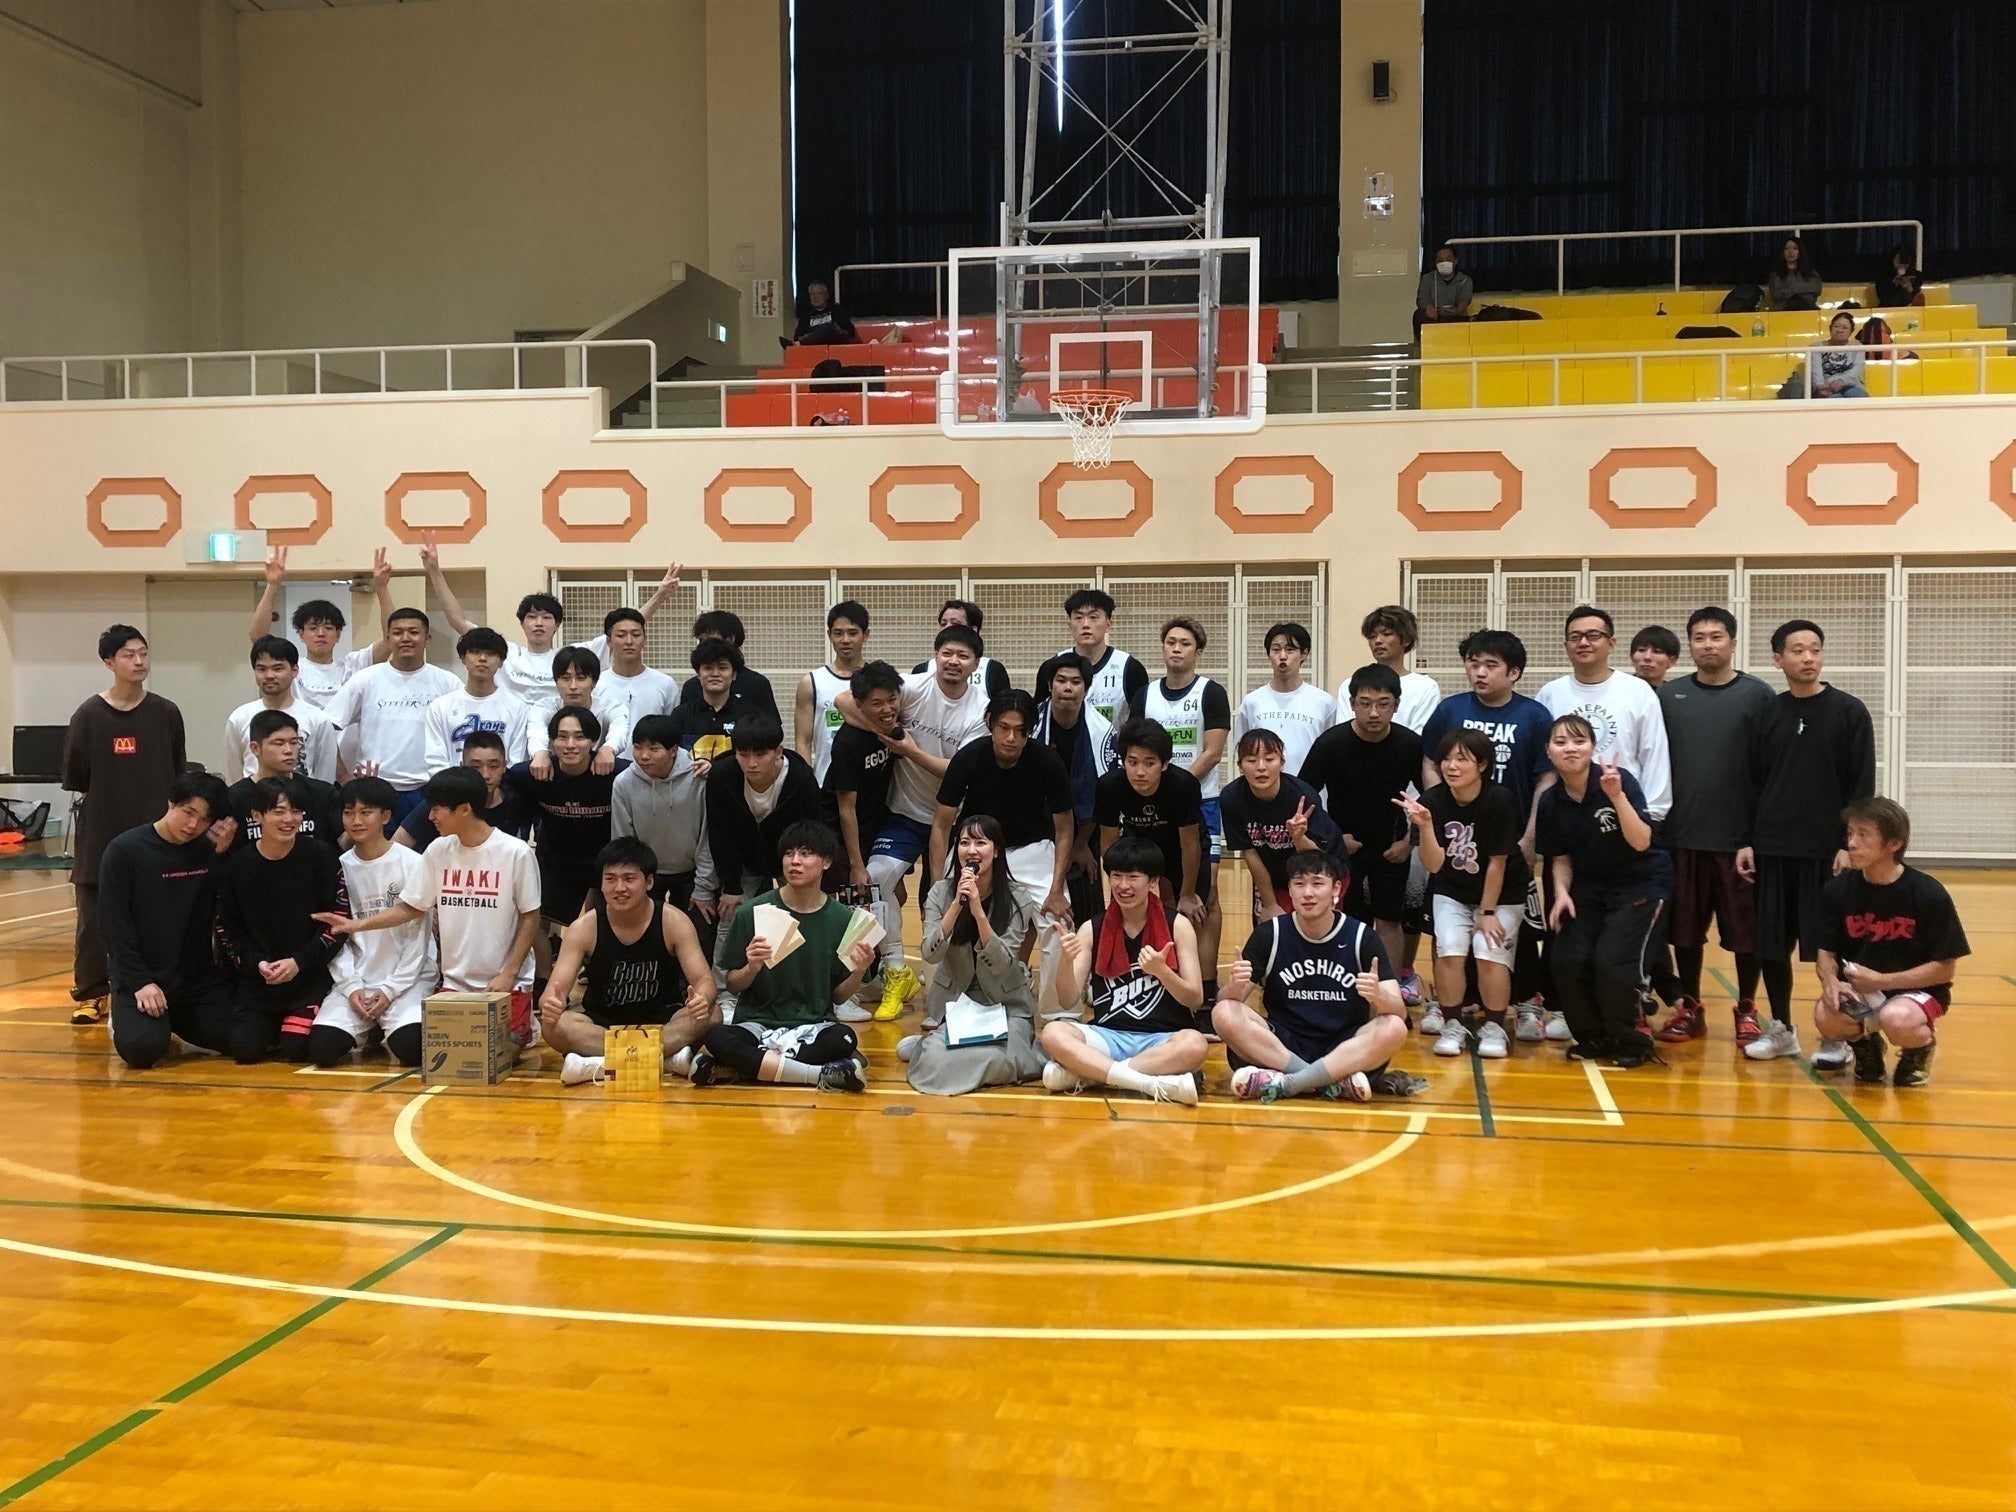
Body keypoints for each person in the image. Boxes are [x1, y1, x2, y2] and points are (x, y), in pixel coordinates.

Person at [1742, 619, 1877, 1063]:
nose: (1808, 658)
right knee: (1772, 946)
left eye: (1815, 649)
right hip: (1773, 849)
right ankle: (1782, 1028)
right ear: (1778, 659)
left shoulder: (1849, 711)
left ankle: (1839, 1034)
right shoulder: (1767, 713)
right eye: (1797, 650)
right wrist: (1747, 840)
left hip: (1828, 853)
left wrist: (1849, 843)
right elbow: (1751, 782)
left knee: (1834, 947)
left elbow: (1861, 784)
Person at [836, 625, 990, 1009]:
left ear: (975, 664)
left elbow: (959, 770)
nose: (953, 661)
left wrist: (908, 750)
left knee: (946, 898)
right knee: (873, 882)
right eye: (947, 653)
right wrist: (885, 729)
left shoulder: (979, 709)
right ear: (935, 656)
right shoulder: (912, 687)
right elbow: (843, 700)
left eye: (963, 656)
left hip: (952, 818)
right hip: (904, 813)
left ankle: (958, 983)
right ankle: (895, 971)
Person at [318, 766, 542, 1010]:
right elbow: (411, 907)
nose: (430, 817)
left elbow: (530, 916)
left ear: (464, 809)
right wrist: (356, 925)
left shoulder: (515, 852)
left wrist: (509, 974)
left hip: (508, 983)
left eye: (436, 809)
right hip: (454, 984)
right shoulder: (438, 850)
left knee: (504, 1036)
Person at [1416, 629, 1554, 1024]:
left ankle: (1523, 1000)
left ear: (1514, 673)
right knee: (1448, 928)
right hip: (1457, 841)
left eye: (1491, 665)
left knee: (1510, 928)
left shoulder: (1534, 716)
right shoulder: (1449, 710)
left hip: (1509, 837)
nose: (1479, 672)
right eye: (1473, 664)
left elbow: (1545, 776)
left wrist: (1530, 834)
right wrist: (1439, 809)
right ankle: (1453, 1005)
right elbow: (1431, 761)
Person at [1655, 607, 1776, 1044]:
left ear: (1733, 643)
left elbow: (1770, 769)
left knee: (1746, 935)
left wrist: (1755, 836)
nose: (1708, 645)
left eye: (1716, 636)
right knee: (1685, 933)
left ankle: (1747, 1007)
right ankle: (1691, 1007)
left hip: (1738, 842)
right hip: (1682, 836)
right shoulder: (1669, 696)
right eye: (1699, 637)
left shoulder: (1758, 695)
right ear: (1689, 645)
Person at [63, 623, 190, 1024]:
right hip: (102, 834)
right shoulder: (88, 715)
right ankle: (90, 993)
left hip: (157, 837)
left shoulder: (165, 712)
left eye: (143, 653)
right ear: (109, 662)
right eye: (128, 655)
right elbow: (78, 777)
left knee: (160, 918)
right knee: (93, 920)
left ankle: (166, 988)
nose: (139, 661)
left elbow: (179, 771)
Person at [1214, 849, 1408, 1102]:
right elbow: (1228, 1004)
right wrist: (1232, 987)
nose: (1308, 893)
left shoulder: (1362, 937)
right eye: (1299, 884)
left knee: (1395, 1027)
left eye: (1317, 884)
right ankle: (1328, 1083)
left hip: (1343, 1048)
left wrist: (1379, 996)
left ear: (1336, 889)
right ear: (1290, 890)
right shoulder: (1269, 934)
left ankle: (1288, 1083)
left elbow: (1400, 1011)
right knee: (1223, 1012)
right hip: (1282, 1045)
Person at [698, 822, 878, 1091]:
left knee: (844, 1038)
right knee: (716, 1036)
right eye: (788, 853)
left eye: (806, 853)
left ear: (826, 862)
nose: (794, 861)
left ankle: (743, 1068)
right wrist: (752, 967)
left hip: (814, 1027)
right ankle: (817, 1074)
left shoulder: (843, 920)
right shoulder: (751, 912)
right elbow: (733, 985)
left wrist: (859, 971)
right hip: (756, 1025)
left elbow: (839, 997)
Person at [1536, 716, 1669, 1068]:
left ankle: (1633, 1039)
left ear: (1593, 748)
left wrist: (1617, 797)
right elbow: (1560, 858)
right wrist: (1562, 894)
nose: (1570, 749)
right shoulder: (1550, 801)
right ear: (1548, 751)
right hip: (1590, 889)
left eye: (1579, 741)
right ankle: (1593, 1036)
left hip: (1640, 885)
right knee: (1567, 958)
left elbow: (1641, 841)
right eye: (1560, 742)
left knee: (1613, 963)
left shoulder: (1618, 781)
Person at [1810, 798, 1967, 1087]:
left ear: (1894, 844)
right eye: (1850, 834)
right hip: (1863, 993)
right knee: (1825, 1015)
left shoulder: (1928, 894)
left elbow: (1944, 969)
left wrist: (1883, 981)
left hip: (1916, 993)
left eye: (1864, 835)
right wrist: (1830, 982)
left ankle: (1919, 1050)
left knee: (1897, 1018)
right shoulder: (1837, 891)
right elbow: (1825, 952)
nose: (1852, 843)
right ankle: (1865, 1046)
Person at [1040, 834, 1208, 1105]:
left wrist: (1162, 972)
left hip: (1162, 1039)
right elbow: (1067, 999)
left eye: (1133, 877)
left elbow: (1195, 999)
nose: (1123, 886)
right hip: (1109, 1036)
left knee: (1195, 1045)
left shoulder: (1178, 926)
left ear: (1153, 881)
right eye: (1116, 876)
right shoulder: (1091, 929)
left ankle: (1093, 1074)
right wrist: (1066, 962)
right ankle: (1146, 1082)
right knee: (1053, 1032)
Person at [540, 837, 719, 1087]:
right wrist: (551, 1004)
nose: (619, 888)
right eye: (610, 879)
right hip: (603, 1024)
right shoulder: (584, 928)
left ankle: (600, 1064)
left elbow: (704, 981)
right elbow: (552, 994)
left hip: (662, 1020)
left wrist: (701, 998)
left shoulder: (673, 921)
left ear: (649, 882)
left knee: (712, 1014)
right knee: (554, 1026)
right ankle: (664, 1060)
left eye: (629, 878)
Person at [1400, 729, 1527, 1059]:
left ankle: (1495, 1026)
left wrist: (1487, 913)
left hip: (1502, 892)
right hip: (1452, 889)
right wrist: (1425, 826)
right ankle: (1452, 1023)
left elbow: (1498, 863)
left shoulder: (1500, 799)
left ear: (1482, 765)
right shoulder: (1431, 802)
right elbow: (1434, 864)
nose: (1452, 766)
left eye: (1462, 759)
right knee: (1449, 949)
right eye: (1446, 759)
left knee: (1489, 952)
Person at [901, 815, 1048, 1095]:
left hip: (1006, 1005)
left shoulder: (1018, 898)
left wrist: (978, 911)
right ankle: (930, 1048)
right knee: (935, 1062)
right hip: (957, 1003)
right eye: (964, 842)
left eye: (980, 843)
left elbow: (1003, 963)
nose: (971, 850)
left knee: (1005, 1058)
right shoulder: (940, 893)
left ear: (996, 851)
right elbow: (930, 954)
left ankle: (933, 1049)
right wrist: (957, 905)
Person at [101, 772, 238, 1069]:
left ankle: (171, 1018)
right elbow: (114, 926)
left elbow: (225, 904)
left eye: (204, 819)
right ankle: (127, 1016)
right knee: (142, 1049)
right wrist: (140, 982)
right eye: (188, 812)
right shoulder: (125, 850)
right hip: (144, 976)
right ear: (170, 803)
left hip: (196, 980)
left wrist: (221, 857)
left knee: (245, 1039)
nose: (193, 825)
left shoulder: (208, 850)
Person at [214, 777, 348, 1064]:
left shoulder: (321, 856)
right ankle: (274, 1027)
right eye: (278, 812)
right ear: (256, 816)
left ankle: (295, 1026)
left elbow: (338, 923)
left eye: (296, 811)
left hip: (308, 976)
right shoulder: (236, 867)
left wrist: (299, 961)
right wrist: (257, 964)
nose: (289, 819)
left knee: (297, 1049)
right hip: (259, 980)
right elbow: (228, 929)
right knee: (244, 1050)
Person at [307, 777, 437, 1069]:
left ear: (386, 816)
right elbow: (335, 935)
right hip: (359, 981)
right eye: (348, 812)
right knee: (322, 1050)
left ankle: (385, 1024)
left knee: (410, 1047)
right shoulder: (338, 866)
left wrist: (390, 990)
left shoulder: (412, 863)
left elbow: (419, 938)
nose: (356, 821)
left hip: (407, 980)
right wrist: (351, 986)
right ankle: (370, 1029)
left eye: (366, 812)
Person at [1300, 664, 1423, 968]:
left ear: (1396, 705)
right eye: (1365, 703)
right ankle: (1347, 985)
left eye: (1383, 704)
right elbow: (1303, 798)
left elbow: (1435, 800)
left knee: (1390, 921)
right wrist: (1331, 840)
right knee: (1346, 920)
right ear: (1352, 703)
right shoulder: (1330, 744)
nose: (1374, 713)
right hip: (1343, 850)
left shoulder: (1410, 744)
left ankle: (1390, 986)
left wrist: (1409, 842)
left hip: (1392, 848)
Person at [1140, 616, 1231, 1001]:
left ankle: (1206, 987)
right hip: (1153, 808)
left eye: (1185, 643)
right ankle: (1171, 979)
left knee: (1204, 897)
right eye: (1171, 642)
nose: (1176, 649)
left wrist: (1175, 787)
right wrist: (1157, 790)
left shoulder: (1211, 693)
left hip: (1200, 802)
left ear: (1198, 652)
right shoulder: (1145, 695)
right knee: (1162, 893)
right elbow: (1136, 747)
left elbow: (1212, 752)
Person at [1094, 720, 1208, 999]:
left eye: (1149, 763)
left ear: (1165, 764)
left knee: (1196, 909)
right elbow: (1108, 843)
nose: (1140, 772)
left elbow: (1189, 844)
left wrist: (1188, 893)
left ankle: (1200, 984)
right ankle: (1133, 976)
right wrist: (1115, 886)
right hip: (1140, 845)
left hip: (1181, 846)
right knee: (1135, 907)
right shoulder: (1109, 785)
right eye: (1132, 762)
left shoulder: (1184, 785)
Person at [322, 606, 459, 833]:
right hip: (376, 789)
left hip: (429, 789)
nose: (405, 638)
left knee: (428, 853)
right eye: (397, 632)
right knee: (376, 853)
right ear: (387, 639)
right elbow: (325, 727)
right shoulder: (365, 679)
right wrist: (344, 776)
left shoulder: (448, 682)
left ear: (427, 638)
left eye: (413, 632)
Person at [1536, 607, 1672, 823]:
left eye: (1593, 635)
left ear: (1611, 643)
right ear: (1566, 645)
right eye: (1575, 637)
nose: (1583, 643)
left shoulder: (1638, 691)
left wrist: (1653, 814)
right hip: (1565, 812)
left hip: (1627, 810)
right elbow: (1543, 762)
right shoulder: (1550, 693)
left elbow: (1654, 755)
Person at [824, 661, 910, 997]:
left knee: (890, 896)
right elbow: (845, 810)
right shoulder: (849, 743)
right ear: (860, 705)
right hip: (840, 833)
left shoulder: (888, 729)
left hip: (875, 822)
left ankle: (876, 975)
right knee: (853, 908)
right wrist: (856, 864)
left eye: (891, 700)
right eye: (877, 703)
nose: (887, 709)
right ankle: (841, 991)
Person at [507, 708, 625, 932]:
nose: (570, 745)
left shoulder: (619, 772)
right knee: (537, 919)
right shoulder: (532, 773)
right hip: (556, 858)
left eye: (580, 737)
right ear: (552, 741)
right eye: (562, 737)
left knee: (601, 925)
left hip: (604, 858)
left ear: (593, 741)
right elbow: (496, 786)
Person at [245, 545, 395, 710]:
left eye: (328, 628)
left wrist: (382, 588)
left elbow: (391, 638)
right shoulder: (292, 667)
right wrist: (272, 585)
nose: (321, 633)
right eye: (313, 628)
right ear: (301, 634)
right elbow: (257, 637)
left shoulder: (353, 665)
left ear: (338, 635)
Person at [704, 713, 825, 917]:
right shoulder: (721, 776)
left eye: (760, 755)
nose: (751, 763)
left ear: (778, 752)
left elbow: (812, 831)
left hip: (790, 857)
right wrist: (731, 886)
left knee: (805, 915)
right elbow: (721, 833)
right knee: (730, 919)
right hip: (743, 861)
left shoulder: (801, 778)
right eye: (743, 754)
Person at [1221, 727, 1348, 922]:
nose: (1261, 767)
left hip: (1323, 870)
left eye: (1269, 759)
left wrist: (1298, 837)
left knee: (1313, 928)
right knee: (1271, 928)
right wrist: (1270, 904)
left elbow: (1318, 859)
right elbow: (1250, 853)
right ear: (1240, 765)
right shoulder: (1231, 798)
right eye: (1251, 760)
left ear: (1282, 763)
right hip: (1274, 877)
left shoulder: (1303, 796)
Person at [1031, 653, 1111, 929]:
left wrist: (1079, 845)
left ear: (1085, 689)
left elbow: (1103, 794)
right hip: (1035, 825)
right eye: (1061, 680)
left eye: (1075, 682)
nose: (1067, 687)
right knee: (1031, 905)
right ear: (1049, 685)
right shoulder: (1031, 725)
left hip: (1085, 828)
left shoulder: (1103, 733)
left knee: (1086, 907)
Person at [611, 714, 718, 914]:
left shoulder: (698, 777)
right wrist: (628, 881)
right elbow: (623, 840)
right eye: (638, 747)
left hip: (692, 873)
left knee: (700, 926)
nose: (644, 756)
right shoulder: (623, 783)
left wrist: (704, 887)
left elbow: (708, 837)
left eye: (654, 749)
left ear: (673, 750)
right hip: (645, 873)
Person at [223, 636, 336, 782]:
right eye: (261, 669)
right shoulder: (239, 718)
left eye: (277, 668)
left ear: (294, 670)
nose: (269, 676)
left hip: (302, 794)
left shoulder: (317, 719)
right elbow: (235, 776)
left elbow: (325, 777)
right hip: (253, 794)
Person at [226, 711, 343, 852]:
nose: (288, 750)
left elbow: (343, 844)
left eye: (294, 743)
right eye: (278, 743)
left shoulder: (323, 793)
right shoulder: (234, 798)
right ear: (255, 748)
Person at [393, 731, 530, 850]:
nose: (485, 775)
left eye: (493, 766)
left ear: (505, 766)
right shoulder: (443, 800)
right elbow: (398, 844)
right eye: (476, 767)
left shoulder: (516, 800)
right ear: (462, 766)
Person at [1034, 589, 1149, 729]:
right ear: (1070, 625)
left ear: (1108, 623)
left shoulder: (1130, 668)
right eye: (1078, 618)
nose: (1086, 624)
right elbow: (1037, 719)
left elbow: (1140, 725)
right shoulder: (1051, 667)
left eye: (1093, 617)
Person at [1234, 620, 1337, 776]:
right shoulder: (1252, 701)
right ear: (1268, 654)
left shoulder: (1324, 702)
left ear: (1304, 653)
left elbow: (1332, 753)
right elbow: (1243, 751)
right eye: (1276, 649)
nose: (1282, 656)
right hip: (1263, 788)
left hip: (1310, 788)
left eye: (1290, 649)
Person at [423, 626, 530, 772]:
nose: (482, 659)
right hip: (453, 785)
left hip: (502, 786)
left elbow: (515, 762)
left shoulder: (518, 708)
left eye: (490, 654)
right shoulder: (440, 707)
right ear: (463, 658)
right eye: (475, 652)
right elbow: (436, 761)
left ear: (501, 662)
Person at [796, 600, 871, 782]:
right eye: (838, 633)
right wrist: (807, 784)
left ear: (865, 635)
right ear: (829, 635)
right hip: (825, 782)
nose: (845, 640)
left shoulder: (878, 680)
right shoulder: (811, 682)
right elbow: (803, 741)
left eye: (852, 633)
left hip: (869, 781)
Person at [527, 646, 629, 775]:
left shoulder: (612, 707)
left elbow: (619, 730)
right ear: (556, 682)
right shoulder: (543, 708)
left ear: (594, 682)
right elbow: (536, 732)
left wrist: (608, 749)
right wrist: (540, 753)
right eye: (565, 678)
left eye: (581, 678)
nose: (573, 686)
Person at [1350, 606, 1441, 733]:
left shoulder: (1425, 687)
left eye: (1386, 634)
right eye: (1372, 636)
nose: (1378, 641)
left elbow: (1419, 735)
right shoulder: (1351, 684)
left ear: (1407, 640)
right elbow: (1347, 731)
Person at [679, 609, 778, 717]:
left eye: (711, 639)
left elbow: (771, 725)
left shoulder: (757, 684)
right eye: (701, 640)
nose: (705, 645)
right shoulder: (691, 687)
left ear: (730, 639)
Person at [666, 637, 754, 755]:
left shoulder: (750, 715)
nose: (715, 674)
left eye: (722, 668)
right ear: (698, 674)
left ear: (734, 674)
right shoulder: (681, 715)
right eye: (708, 668)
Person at [597, 605, 681, 726]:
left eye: (636, 635)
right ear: (609, 641)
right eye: (621, 635)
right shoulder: (597, 685)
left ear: (645, 640)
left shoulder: (665, 683)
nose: (629, 641)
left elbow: (672, 729)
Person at [911, 599, 1013, 699]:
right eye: (943, 624)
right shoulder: (923, 669)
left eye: (955, 624)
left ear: (973, 630)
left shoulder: (993, 669)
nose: (947, 628)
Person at [1415, 244, 1474, 340]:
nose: (1444, 263)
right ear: (1435, 263)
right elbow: (1421, 300)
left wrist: (1456, 311)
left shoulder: (1465, 280)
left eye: (1448, 259)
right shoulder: (1427, 278)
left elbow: (1464, 302)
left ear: (1455, 261)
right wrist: (1428, 308)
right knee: (1419, 315)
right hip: (1435, 317)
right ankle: (1424, 343)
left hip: (1456, 317)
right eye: (1440, 260)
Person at [1809, 311, 1869, 399]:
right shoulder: (1817, 347)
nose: (1840, 330)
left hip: (1851, 386)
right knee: (1835, 398)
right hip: (1826, 387)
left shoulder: (1858, 347)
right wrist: (1821, 386)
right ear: (1830, 328)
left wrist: (1842, 381)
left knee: (1854, 394)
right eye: (1836, 326)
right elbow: (1816, 371)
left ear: (1851, 332)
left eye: (1845, 327)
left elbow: (1856, 370)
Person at [783, 280, 857, 347]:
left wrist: (840, 331)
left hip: (834, 343)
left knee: (829, 326)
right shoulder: (806, 316)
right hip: (814, 347)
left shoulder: (836, 310)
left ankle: (797, 344)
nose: (815, 297)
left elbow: (851, 332)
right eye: (812, 294)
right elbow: (797, 337)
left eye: (819, 293)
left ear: (826, 295)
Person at [1767, 235, 1822, 311]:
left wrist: (1788, 290)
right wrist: (1803, 290)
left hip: (1807, 310)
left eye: (1795, 248)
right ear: (1782, 252)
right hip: (1783, 312)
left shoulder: (1811, 273)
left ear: (1800, 251)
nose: (1791, 252)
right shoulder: (1776, 275)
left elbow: (1816, 291)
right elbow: (1776, 294)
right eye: (1786, 248)